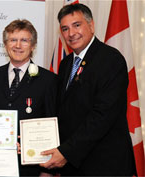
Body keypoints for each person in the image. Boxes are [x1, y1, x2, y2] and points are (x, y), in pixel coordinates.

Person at [40, 3, 136, 176]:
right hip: (73, 165)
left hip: (104, 165)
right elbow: (62, 112)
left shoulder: (111, 60)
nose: (71, 33)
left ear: (91, 25)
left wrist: (67, 152)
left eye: (77, 25)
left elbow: (102, 116)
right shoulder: (66, 64)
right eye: (65, 29)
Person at [0, 19, 58, 176]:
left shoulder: (48, 80)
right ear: (5, 45)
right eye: (13, 40)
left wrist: (47, 172)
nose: (18, 45)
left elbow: (51, 123)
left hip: (31, 168)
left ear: (33, 46)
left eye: (24, 40)